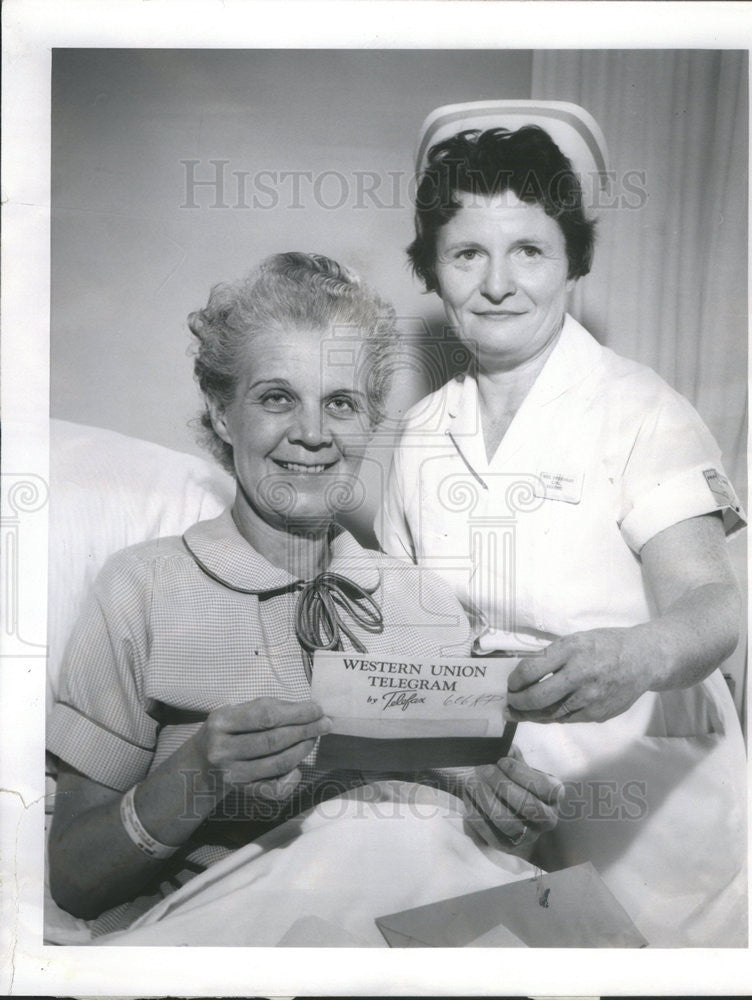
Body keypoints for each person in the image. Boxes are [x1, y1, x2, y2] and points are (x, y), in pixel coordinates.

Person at [47, 252, 563, 938]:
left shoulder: (427, 605)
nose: (314, 434)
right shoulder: (141, 591)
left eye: (341, 403)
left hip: (406, 934)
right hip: (236, 935)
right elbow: (74, 881)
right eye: (277, 397)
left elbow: (459, 862)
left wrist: (502, 809)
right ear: (223, 415)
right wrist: (198, 773)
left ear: (372, 422)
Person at [376, 102, 748, 946]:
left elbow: (712, 605)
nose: (498, 282)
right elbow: (402, 642)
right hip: (483, 764)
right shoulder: (417, 434)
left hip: (639, 781)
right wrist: (453, 759)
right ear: (433, 271)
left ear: (573, 263)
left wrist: (632, 655)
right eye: (468, 252)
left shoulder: (644, 409)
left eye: (530, 250)